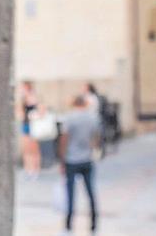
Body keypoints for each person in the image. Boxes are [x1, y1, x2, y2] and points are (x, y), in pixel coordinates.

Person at [58, 94, 101, 233]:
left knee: (71, 193)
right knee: (90, 192)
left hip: (72, 159)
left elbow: (64, 139)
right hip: (87, 158)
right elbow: (96, 137)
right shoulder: (93, 117)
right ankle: (94, 224)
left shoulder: (70, 118)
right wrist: (92, 149)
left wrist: (62, 159)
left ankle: (69, 225)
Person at [20, 81, 44, 177]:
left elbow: (41, 111)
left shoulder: (35, 98)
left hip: (34, 125)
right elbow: (20, 112)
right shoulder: (23, 99)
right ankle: (28, 168)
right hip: (25, 124)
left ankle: (36, 169)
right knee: (26, 149)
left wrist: (34, 116)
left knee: (34, 149)